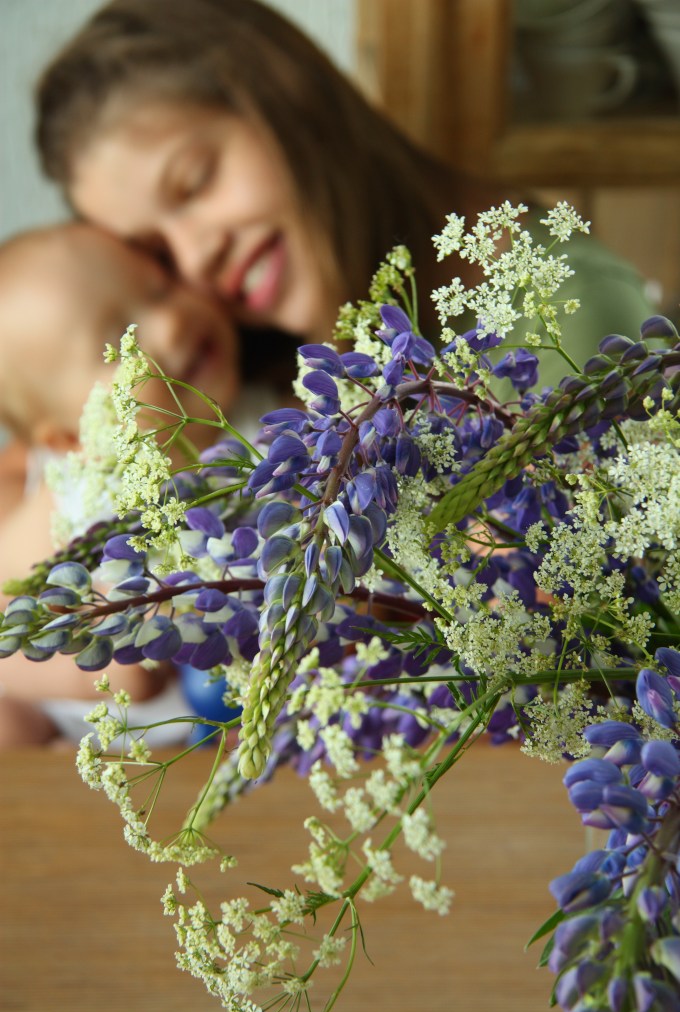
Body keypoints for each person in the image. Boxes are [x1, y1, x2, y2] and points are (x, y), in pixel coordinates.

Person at [34, 0, 656, 391]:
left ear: (280, 86)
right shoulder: (254, 384)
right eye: (159, 257)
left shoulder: (567, 323)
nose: (195, 259)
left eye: (196, 182)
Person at [0, 220, 241, 747]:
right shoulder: (71, 498)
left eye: (160, 286)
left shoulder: (262, 415)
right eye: (119, 345)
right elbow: (9, 591)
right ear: (70, 437)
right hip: (85, 719)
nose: (172, 322)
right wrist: (117, 643)